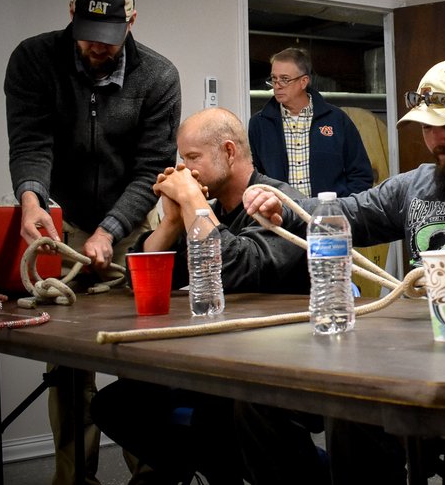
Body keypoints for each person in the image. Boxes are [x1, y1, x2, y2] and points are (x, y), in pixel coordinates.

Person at [238, 58, 445, 484]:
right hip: (417, 354)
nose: (436, 139)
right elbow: (341, 212)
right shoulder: (414, 184)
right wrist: (277, 200)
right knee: (347, 409)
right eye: (426, 127)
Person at [4, 0, 181, 485]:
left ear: (132, 21)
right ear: (71, 13)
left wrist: (110, 230)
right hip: (61, 221)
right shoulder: (34, 59)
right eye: (87, 35)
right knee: (66, 364)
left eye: (108, 38)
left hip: (135, 225)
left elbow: (150, 170)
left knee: (140, 354)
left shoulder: (159, 76)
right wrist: (31, 201)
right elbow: (30, 142)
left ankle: (150, 475)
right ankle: (74, 477)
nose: (96, 47)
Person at [91, 106, 310, 485]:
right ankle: (213, 469)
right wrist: (173, 222)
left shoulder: (279, 202)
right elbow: (141, 279)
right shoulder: (207, 213)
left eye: (193, 157)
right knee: (115, 405)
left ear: (229, 152)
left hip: (275, 366)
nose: (184, 169)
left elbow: (235, 269)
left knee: (224, 411)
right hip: (217, 362)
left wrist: (192, 202)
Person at [248, 46, 373, 197]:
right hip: (280, 211)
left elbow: (361, 176)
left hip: (329, 210)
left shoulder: (337, 120)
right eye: (274, 79)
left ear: (304, 81)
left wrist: (340, 206)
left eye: (285, 79)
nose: (277, 85)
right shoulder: (259, 124)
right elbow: (253, 178)